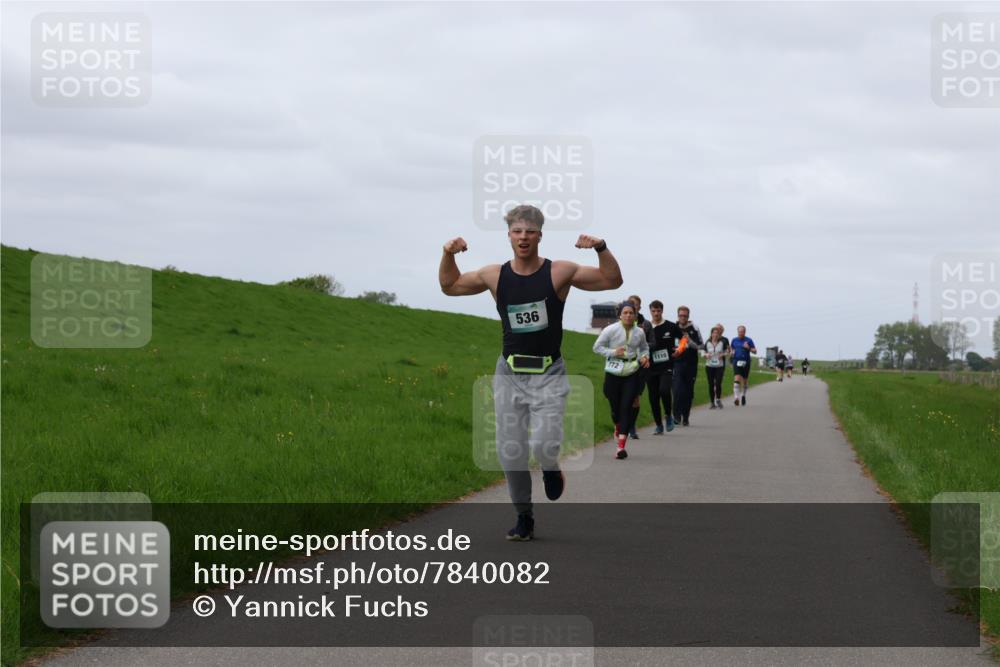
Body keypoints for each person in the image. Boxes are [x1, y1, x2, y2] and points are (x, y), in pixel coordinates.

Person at [439, 204, 622, 541]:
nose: (523, 237)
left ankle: (551, 467)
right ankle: (524, 516)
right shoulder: (495, 275)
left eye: (530, 231)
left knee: (543, 444)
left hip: (548, 372)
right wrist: (448, 253)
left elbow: (612, 280)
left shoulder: (559, 272)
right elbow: (450, 286)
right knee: (511, 452)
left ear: (540, 235)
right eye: (517, 231)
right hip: (508, 374)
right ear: (509, 235)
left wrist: (600, 247)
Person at [594, 301, 650, 459]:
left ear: (635, 315)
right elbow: (597, 347)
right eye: (625, 312)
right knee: (615, 410)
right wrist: (613, 352)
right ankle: (617, 426)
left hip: (631, 372)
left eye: (631, 313)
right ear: (620, 314)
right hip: (612, 373)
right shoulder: (610, 330)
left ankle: (620, 447)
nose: (628, 315)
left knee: (626, 407)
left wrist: (645, 357)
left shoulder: (639, 332)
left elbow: (644, 348)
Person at [646, 300, 682, 434]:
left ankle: (668, 415)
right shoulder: (645, 327)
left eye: (658, 311)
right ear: (650, 311)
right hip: (650, 366)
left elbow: (683, 339)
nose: (656, 313)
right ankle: (658, 425)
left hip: (666, 365)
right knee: (653, 397)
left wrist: (680, 349)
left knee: (664, 390)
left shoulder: (671, 326)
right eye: (653, 311)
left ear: (662, 311)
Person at [671, 306, 704, 427]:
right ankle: (676, 416)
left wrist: (690, 342)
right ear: (678, 316)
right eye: (680, 315)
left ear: (688, 316)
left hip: (691, 364)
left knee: (688, 392)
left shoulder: (694, 328)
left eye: (685, 315)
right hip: (677, 363)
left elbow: (701, 346)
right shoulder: (673, 327)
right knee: (677, 390)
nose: (682, 317)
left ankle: (686, 417)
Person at [626, 295, 652, 439]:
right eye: (630, 304)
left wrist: (643, 349)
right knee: (624, 396)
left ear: (639, 308)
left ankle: (632, 426)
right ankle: (623, 423)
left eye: (635, 305)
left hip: (640, 366)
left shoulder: (646, 324)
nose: (632, 306)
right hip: (623, 364)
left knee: (635, 397)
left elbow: (652, 343)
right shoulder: (620, 322)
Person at [731, 326, 757, 405]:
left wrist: (748, 347)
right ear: (737, 332)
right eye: (739, 332)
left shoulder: (749, 340)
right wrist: (731, 352)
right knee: (737, 378)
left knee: (745, 381)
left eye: (742, 332)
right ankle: (736, 398)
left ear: (744, 332)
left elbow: (755, 351)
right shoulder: (734, 340)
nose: (740, 333)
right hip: (736, 361)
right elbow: (731, 349)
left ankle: (743, 395)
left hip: (746, 362)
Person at [703, 326, 728, 409]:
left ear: (719, 334)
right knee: (710, 384)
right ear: (711, 334)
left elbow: (727, 351)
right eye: (714, 333)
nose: (715, 334)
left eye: (717, 333)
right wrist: (706, 355)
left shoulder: (722, 342)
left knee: (718, 383)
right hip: (709, 366)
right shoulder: (707, 342)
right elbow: (703, 352)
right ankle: (712, 403)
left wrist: (723, 354)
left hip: (719, 366)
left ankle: (718, 399)